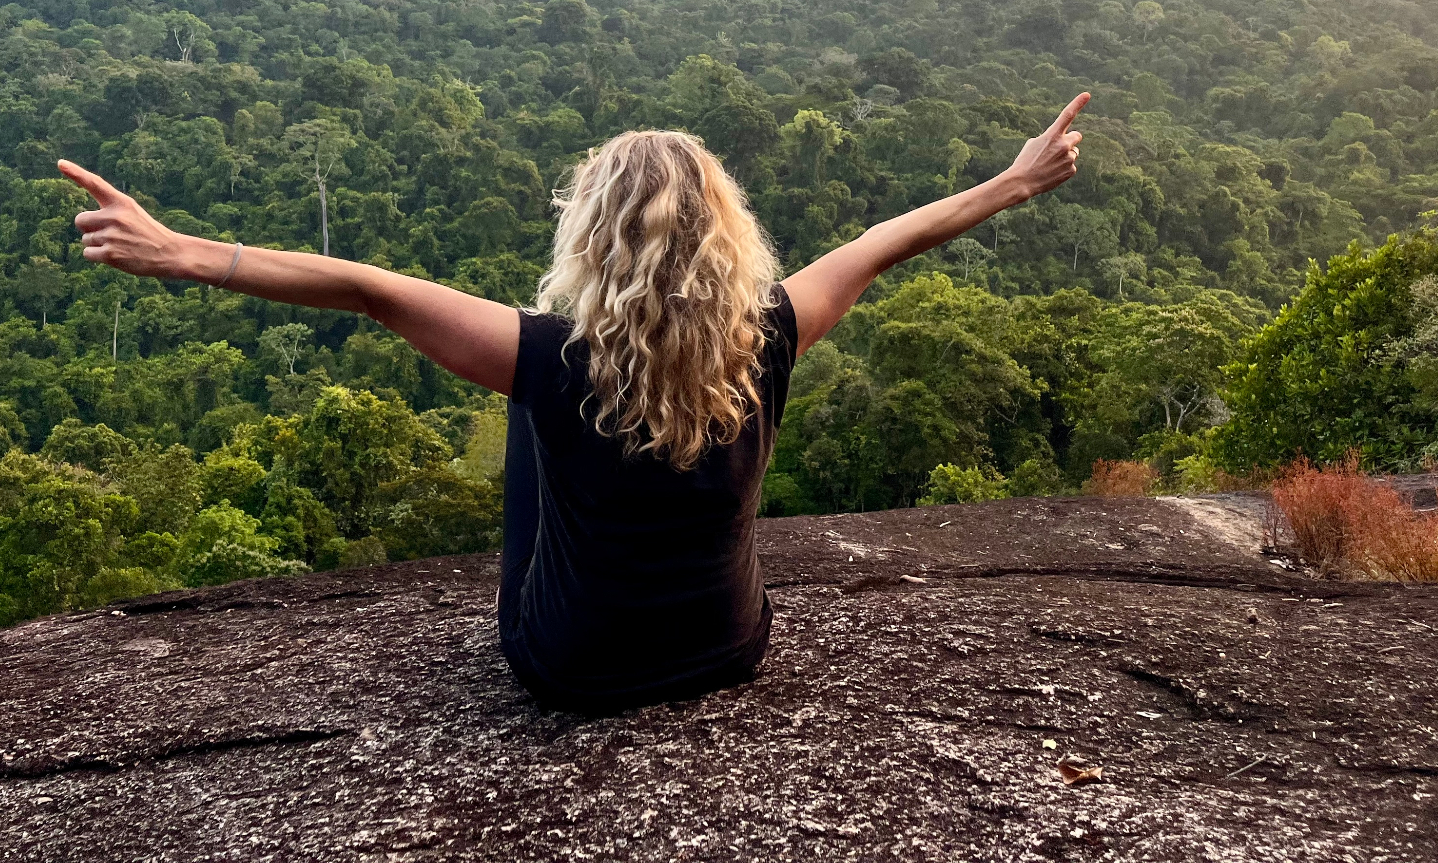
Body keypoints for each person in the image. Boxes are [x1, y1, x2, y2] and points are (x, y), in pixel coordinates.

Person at [60, 91, 1088, 713]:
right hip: (730, 648)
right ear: (725, 234)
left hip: (568, 668)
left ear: (592, 237)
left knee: (529, 404)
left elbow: (366, 288)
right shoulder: (771, 329)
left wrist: (188, 253)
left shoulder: (546, 354)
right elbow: (885, 242)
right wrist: (1015, 181)